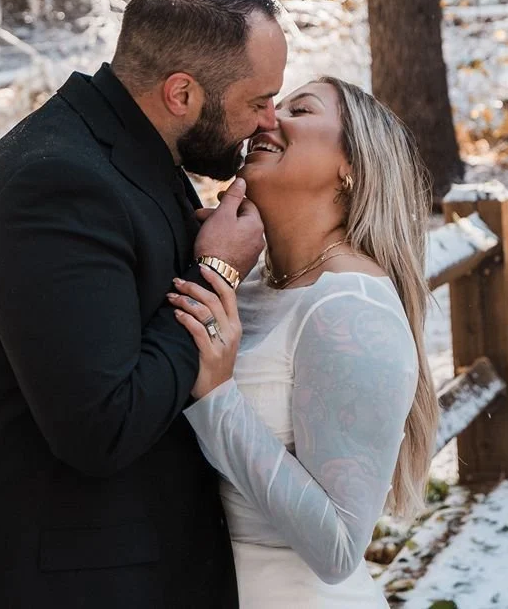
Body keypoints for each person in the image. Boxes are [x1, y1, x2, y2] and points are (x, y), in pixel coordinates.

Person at [0, 0, 288, 609]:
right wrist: (217, 274)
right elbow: (103, 425)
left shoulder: (135, 153)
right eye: (257, 101)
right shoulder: (52, 185)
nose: (269, 123)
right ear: (181, 93)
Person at [167, 77, 441, 607]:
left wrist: (218, 398)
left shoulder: (352, 309)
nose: (269, 116)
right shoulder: (250, 283)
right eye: (274, 102)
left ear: (351, 168)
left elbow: (338, 549)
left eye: (301, 108)